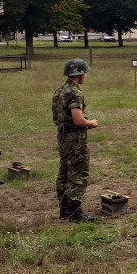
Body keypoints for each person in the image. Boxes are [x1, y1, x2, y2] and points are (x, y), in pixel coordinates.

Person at [52, 59, 99, 223]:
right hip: (75, 140)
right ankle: (74, 212)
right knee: (78, 173)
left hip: (63, 138)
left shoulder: (59, 91)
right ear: (79, 74)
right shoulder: (74, 92)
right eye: (84, 72)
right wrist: (90, 122)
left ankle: (64, 209)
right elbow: (78, 120)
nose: (85, 75)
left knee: (64, 172)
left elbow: (58, 117)